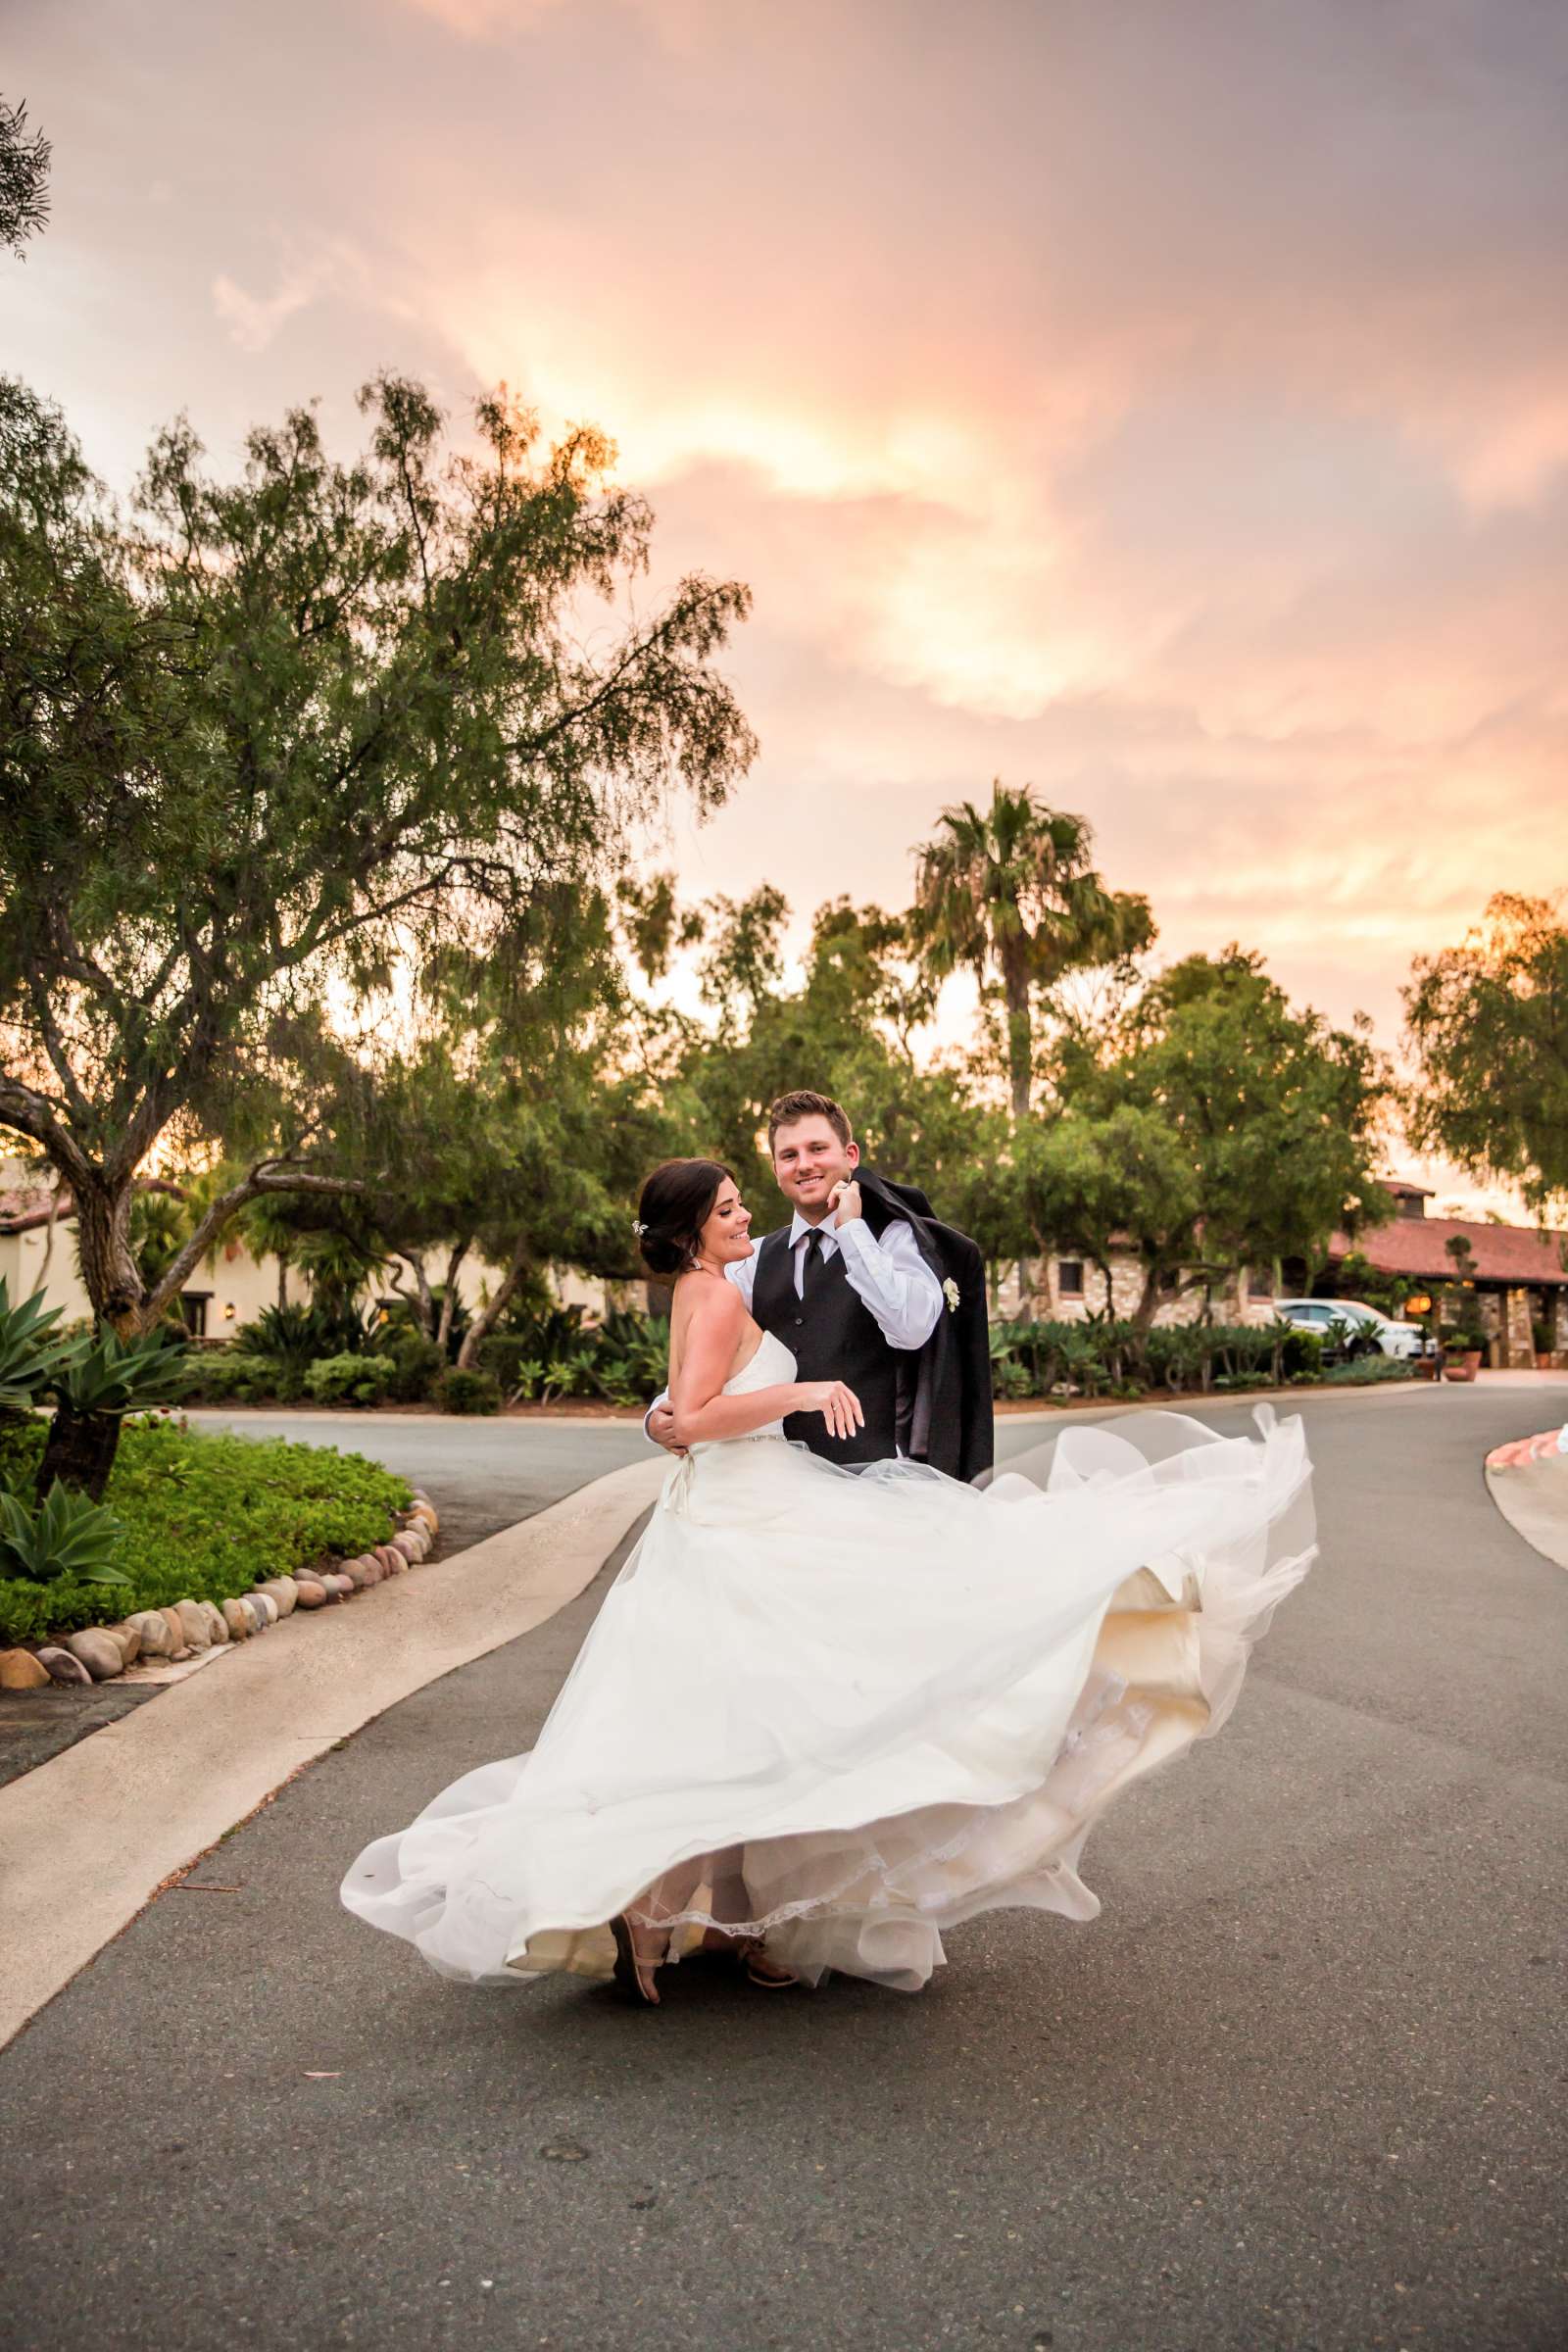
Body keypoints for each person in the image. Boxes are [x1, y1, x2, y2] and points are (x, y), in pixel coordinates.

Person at [342, 1157, 1316, 2004]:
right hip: (751, 1514)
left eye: (740, 1200)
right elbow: (693, 1409)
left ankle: (698, 1915)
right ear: (691, 1230)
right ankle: (683, 1911)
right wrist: (797, 1390)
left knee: (740, 1725)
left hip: (734, 1508)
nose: (742, 1215)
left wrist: (698, 1406)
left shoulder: (717, 1285)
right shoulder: (721, 1288)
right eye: (725, 1205)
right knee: (830, 1700)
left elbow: (698, 1402)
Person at [646, 1089, 994, 1481]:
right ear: (776, 1168)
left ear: (851, 1156)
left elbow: (911, 1331)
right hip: (773, 1484)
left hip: (875, 1482)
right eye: (789, 1155)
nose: (804, 1164)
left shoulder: (896, 1241)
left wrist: (853, 1232)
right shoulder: (750, 1258)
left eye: (817, 1149)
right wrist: (659, 1413)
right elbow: (710, 1355)